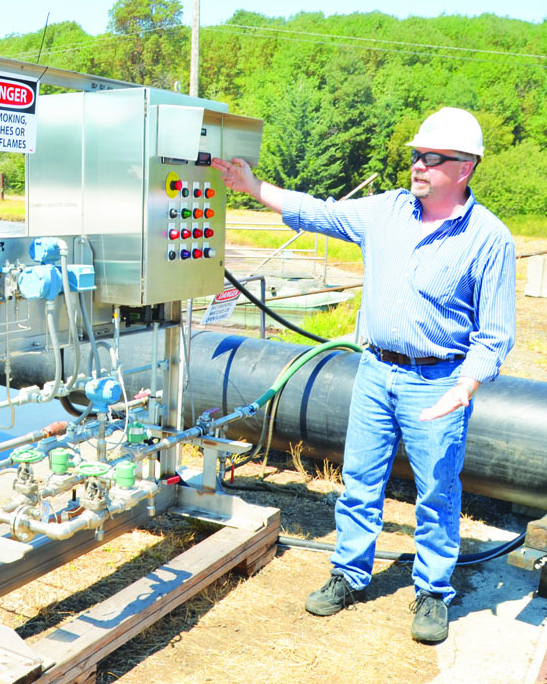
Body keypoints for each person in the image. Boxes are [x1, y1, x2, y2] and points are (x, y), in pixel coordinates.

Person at [212, 107, 516, 644]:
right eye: (417, 155)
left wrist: (464, 387)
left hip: (437, 381)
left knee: (438, 493)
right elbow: (318, 213)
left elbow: (494, 334)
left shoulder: (489, 239)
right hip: (376, 372)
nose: (418, 165)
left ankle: (432, 592)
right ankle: (348, 575)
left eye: (432, 157)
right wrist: (252, 185)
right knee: (359, 482)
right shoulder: (388, 212)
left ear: (465, 168)